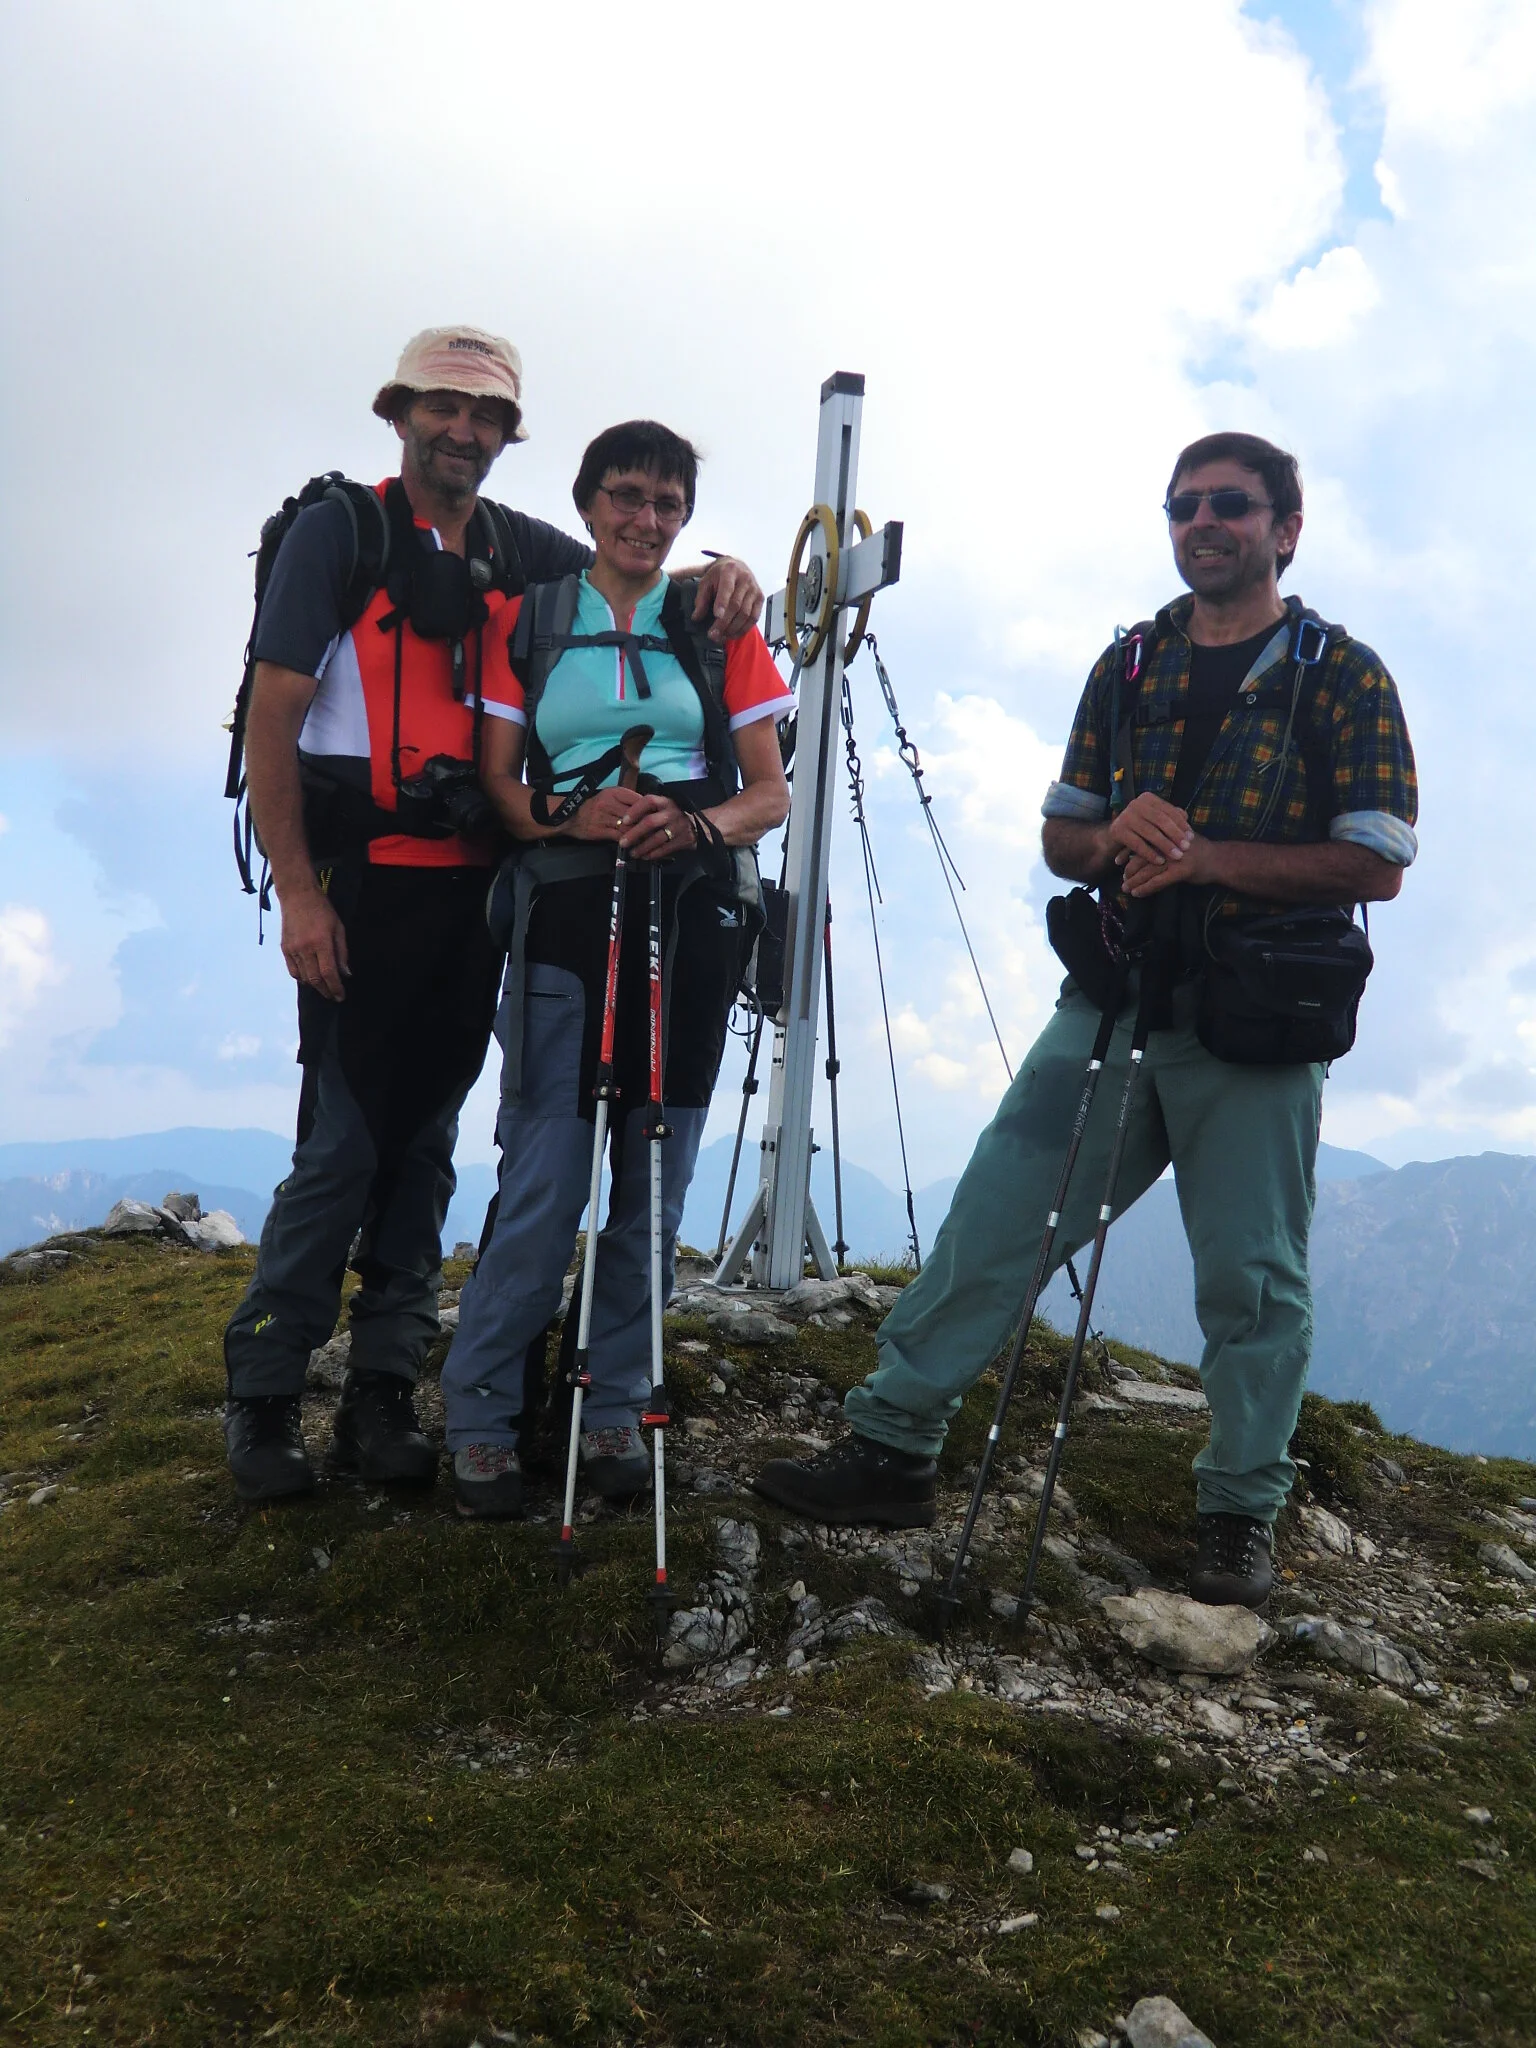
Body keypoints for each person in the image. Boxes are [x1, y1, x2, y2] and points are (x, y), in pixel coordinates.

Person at [755, 431, 1418, 1609]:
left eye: (1231, 505)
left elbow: (1376, 862)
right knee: (997, 1213)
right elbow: (1064, 832)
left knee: (1252, 1279)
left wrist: (1208, 854)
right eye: (1183, 506)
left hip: (1255, 1019)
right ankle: (893, 1441)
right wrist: (1114, 838)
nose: (1203, 523)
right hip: (1117, 992)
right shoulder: (1127, 666)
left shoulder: (1343, 676)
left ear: (1286, 528)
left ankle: (1238, 1515)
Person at [222, 332, 763, 1505]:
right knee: (346, 1138)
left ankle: (379, 1388)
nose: (464, 429)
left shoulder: (521, 548)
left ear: (509, 436)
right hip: (363, 875)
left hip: (483, 885)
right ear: (402, 411)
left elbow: (638, 576)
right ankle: (264, 1389)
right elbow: (274, 713)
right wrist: (300, 889)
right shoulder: (340, 531)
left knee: (425, 1138)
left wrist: (732, 576)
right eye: (444, 407)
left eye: (487, 415)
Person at [440, 419, 792, 1517]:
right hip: (567, 904)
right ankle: (484, 1408)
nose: (647, 519)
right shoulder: (529, 618)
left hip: (690, 907)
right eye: (628, 496)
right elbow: (498, 781)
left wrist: (695, 830)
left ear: (684, 517)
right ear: (588, 503)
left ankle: (612, 1405)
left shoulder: (714, 620)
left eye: (667, 503)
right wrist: (568, 812)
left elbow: (767, 793)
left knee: (656, 1169)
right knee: (546, 1167)